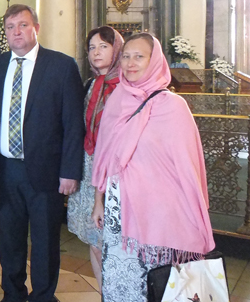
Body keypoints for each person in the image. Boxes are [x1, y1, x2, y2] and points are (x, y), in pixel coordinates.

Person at [92, 33, 215, 302]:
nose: (130, 63)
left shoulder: (173, 106)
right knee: (120, 283)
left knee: (157, 285)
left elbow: (188, 167)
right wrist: (98, 200)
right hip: (119, 212)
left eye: (139, 57)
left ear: (155, 61)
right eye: (126, 56)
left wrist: (195, 215)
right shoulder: (117, 101)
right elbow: (105, 157)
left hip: (161, 217)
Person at [0, 4, 85, 302]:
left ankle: (43, 296)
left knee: (45, 241)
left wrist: (70, 171)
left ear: (36, 28)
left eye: (23, 25)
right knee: (9, 240)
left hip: (46, 172)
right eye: (10, 27)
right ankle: (13, 294)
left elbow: (73, 123)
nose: (16, 32)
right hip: (5, 170)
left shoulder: (61, 66)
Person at [66, 26, 124, 289]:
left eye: (103, 46)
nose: (96, 52)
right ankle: (104, 292)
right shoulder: (90, 84)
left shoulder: (125, 86)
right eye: (91, 47)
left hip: (114, 171)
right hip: (88, 166)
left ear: (117, 49)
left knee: (112, 242)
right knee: (94, 241)